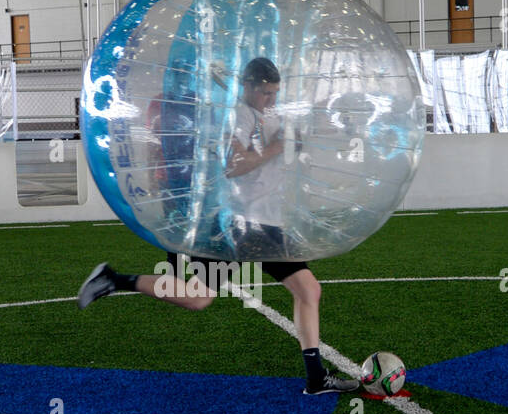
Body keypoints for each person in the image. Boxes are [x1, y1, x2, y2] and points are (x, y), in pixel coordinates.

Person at [78, 57, 358, 395]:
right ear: (250, 87)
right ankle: (114, 279)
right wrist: (279, 146)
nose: (272, 99)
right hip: (240, 224)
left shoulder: (268, 113)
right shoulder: (238, 116)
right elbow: (234, 166)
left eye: (275, 93)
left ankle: (316, 377)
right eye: (266, 93)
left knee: (307, 290)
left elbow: (299, 131)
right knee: (198, 298)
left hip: (267, 224)